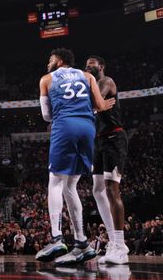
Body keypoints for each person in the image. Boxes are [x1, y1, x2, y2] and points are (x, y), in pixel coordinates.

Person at [35, 48, 115, 265]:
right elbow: (99, 106)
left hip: (65, 126)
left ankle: (56, 238)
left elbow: (46, 116)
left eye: (50, 59)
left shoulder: (47, 79)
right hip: (87, 128)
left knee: (55, 183)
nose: (48, 63)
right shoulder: (87, 76)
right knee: (70, 186)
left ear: (59, 61)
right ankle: (81, 243)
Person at [86, 55, 129, 264]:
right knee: (96, 189)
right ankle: (112, 241)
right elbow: (94, 106)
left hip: (114, 137)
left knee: (112, 189)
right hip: (100, 140)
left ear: (101, 66)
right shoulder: (90, 88)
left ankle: (121, 245)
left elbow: (98, 102)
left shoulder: (106, 82)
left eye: (91, 64)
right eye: (86, 66)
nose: (88, 67)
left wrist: (91, 105)